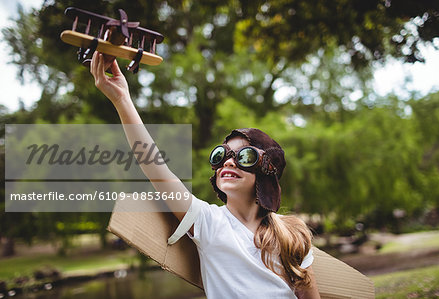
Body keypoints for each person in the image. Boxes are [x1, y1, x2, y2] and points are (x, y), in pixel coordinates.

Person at [90, 52, 320, 299]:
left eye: (244, 157)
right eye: (222, 155)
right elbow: (155, 167)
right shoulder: (208, 222)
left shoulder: (291, 234)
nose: (229, 161)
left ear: (266, 172)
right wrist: (122, 99)